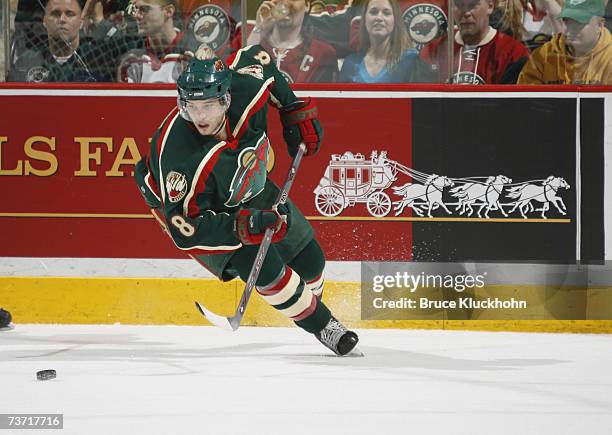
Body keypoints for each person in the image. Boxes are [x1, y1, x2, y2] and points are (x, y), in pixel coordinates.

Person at [134, 44, 361, 356]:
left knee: (311, 261)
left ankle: (308, 304)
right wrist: (243, 226)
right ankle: (325, 326)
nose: (200, 117)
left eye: (210, 106)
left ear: (226, 97)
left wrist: (294, 110)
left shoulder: (246, 89)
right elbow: (185, 228)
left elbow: (260, 60)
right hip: (205, 214)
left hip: (248, 183)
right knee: (265, 268)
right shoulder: (178, 155)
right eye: (191, 107)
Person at [420, 0, 529, 83]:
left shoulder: (513, 53)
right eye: (459, 5)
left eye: (473, 5)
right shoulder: (432, 51)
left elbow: (511, 107)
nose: (466, 13)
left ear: (490, 6)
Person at [8, 0, 106, 82]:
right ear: (44, 21)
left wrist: (100, 20)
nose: (62, 19)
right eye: (55, 14)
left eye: (70, 14)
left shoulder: (95, 58)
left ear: (81, 22)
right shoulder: (27, 62)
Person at [517, 0, 612, 84]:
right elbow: (524, 100)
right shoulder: (542, 57)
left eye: (579, 22)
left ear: (600, 25)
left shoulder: (609, 58)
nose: (570, 29)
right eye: (567, 21)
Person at [339, 0, 434, 83]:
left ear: (395, 20)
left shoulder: (411, 61)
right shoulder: (350, 63)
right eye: (374, 12)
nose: (379, 18)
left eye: (386, 13)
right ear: (364, 20)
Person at [247, 0, 339, 83]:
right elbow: (239, 78)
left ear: (306, 5)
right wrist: (258, 29)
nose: (285, 4)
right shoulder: (250, 39)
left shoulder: (322, 53)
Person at [117, 0, 194, 83]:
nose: (136, 16)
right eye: (135, 9)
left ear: (169, 11)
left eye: (144, 9)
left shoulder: (195, 51)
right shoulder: (131, 56)